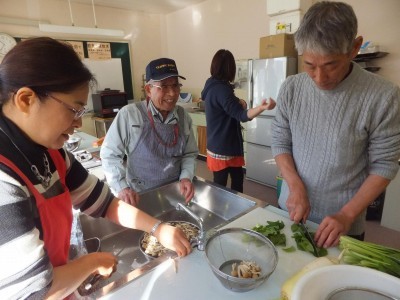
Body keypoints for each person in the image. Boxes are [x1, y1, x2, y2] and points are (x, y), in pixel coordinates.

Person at [0, 38, 192, 299]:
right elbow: (37, 289)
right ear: (26, 100)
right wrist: (93, 262)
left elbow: (104, 203)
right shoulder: (4, 179)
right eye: (74, 110)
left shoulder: (54, 154)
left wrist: (159, 229)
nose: (79, 124)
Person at [271, 1, 400, 248]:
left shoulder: (383, 96)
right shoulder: (292, 88)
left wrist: (347, 214)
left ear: (354, 48)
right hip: (291, 211)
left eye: (331, 65)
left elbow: (384, 165)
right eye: (309, 65)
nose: (320, 78)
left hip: (343, 225)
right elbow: (280, 141)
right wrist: (295, 186)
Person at [100, 58, 198, 206]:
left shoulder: (184, 117)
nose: (172, 93)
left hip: (175, 193)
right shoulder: (129, 114)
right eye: (164, 86)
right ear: (148, 90)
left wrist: (186, 177)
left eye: (175, 85)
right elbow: (110, 154)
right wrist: (121, 187)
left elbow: (189, 154)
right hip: (140, 195)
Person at [201, 49, 276, 193]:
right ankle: (233, 211)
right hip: (225, 148)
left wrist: (238, 101)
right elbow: (242, 116)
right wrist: (262, 107)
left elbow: (228, 104)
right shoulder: (222, 90)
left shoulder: (211, 84)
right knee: (228, 186)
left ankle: (227, 209)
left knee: (224, 183)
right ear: (230, 68)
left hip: (217, 145)